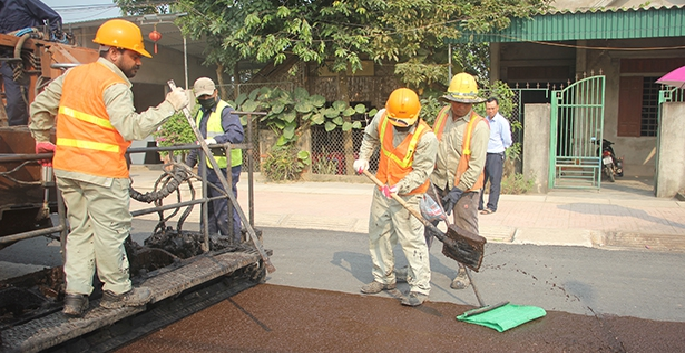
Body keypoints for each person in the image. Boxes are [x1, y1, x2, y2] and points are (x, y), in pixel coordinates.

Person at [28, 18, 189, 317]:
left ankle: (76, 296)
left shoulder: (73, 76)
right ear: (114, 53)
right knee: (110, 233)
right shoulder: (114, 84)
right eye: (134, 54)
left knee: (79, 231)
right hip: (101, 172)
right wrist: (170, 106)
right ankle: (117, 292)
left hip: (68, 170)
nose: (139, 61)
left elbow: (39, 108)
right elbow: (131, 128)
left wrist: (41, 140)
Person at [353, 88, 438, 307]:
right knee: (379, 233)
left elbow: (421, 172)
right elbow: (370, 137)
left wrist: (401, 186)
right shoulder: (382, 118)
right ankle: (383, 277)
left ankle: (419, 287)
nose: (400, 125)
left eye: (405, 122)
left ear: (416, 115)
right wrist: (363, 158)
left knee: (412, 241)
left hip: (409, 195)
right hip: (382, 187)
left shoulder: (427, 137)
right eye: (397, 121)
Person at [429, 73, 489, 290]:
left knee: (465, 230)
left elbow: (475, 166)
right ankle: (418, 267)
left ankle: (464, 271)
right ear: (450, 100)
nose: (460, 106)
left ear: (472, 102)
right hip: (437, 182)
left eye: (465, 103)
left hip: (465, 188)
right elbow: (432, 144)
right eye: (456, 101)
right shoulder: (443, 115)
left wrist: (456, 192)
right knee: (425, 224)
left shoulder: (479, 126)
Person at [185, 77, 245, 243]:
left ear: (215, 93)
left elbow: (236, 134)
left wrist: (216, 141)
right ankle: (209, 244)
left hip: (225, 168)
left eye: (207, 96)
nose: (205, 99)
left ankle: (233, 244)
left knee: (224, 210)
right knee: (208, 210)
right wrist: (188, 164)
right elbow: (197, 140)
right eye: (201, 97)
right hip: (207, 168)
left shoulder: (226, 111)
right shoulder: (200, 113)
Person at [0, 0, 63, 126]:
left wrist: (46, 39)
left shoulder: (21, 2)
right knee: (14, 103)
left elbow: (54, 18)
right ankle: (17, 135)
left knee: (39, 102)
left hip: (33, 59)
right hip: (9, 60)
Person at [479, 97, 512, 215]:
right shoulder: (483, 121)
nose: (490, 111)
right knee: (480, 180)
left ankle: (491, 206)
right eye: (488, 109)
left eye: (493, 108)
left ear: (497, 108)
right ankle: (478, 204)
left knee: (494, 181)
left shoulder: (502, 122)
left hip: (495, 154)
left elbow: (507, 140)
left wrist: (501, 150)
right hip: (483, 154)